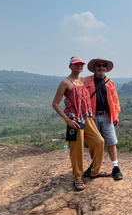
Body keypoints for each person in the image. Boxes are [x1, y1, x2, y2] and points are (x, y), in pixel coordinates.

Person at [52, 56, 111, 191]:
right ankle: (77, 178)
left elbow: (100, 77)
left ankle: (95, 171)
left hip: (86, 117)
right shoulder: (65, 83)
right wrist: (67, 120)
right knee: (76, 149)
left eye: (81, 64)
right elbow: (55, 104)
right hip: (73, 120)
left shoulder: (83, 81)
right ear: (70, 66)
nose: (79, 66)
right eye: (76, 64)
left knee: (99, 142)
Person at [83, 57, 124, 180]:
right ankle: (94, 165)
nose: (101, 68)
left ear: (106, 68)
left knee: (111, 142)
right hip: (91, 116)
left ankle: (115, 167)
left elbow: (115, 101)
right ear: (94, 68)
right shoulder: (86, 81)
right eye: (99, 65)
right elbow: (78, 95)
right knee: (93, 143)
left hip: (106, 115)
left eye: (103, 66)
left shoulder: (110, 83)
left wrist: (115, 115)